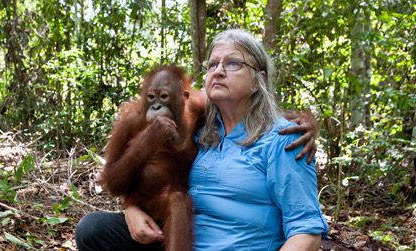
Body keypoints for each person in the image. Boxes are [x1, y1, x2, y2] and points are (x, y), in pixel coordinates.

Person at [75, 28, 328, 251]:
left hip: (236, 243)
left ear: (257, 81)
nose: (218, 71)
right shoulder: (204, 127)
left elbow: (306, 232)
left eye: (232, 64)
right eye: (212, 64)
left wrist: (307, 121)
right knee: (94, 229)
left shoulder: (283, 138)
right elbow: (126, 179)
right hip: (180, 237)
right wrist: (132, 208)